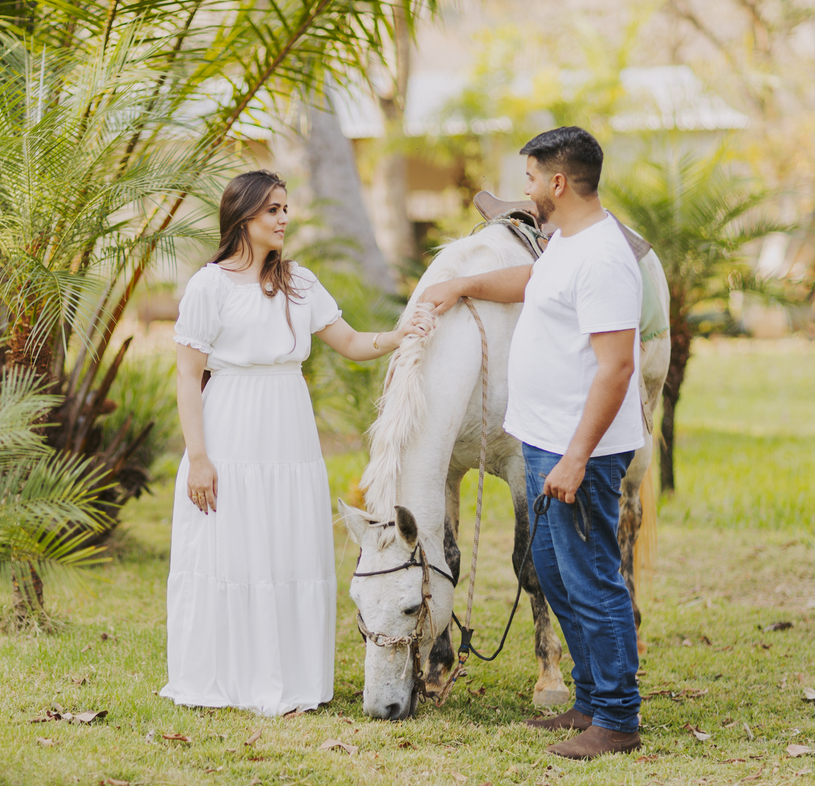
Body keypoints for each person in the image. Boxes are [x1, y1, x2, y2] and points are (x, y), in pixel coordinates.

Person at [160, 169, 431, 716]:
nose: (284, 218)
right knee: (231, 548)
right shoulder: (209, 287)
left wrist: (399, 335)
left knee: (287, 544)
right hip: (230, 426)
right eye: (273, 210)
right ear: (243, 217)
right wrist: (199, 458)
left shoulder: (299, 282)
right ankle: (229, 677)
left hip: (288, 427)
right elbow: (188, 376)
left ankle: (289, 676)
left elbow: (350, 341)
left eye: (285, 208)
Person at [419, 127, 644, 759]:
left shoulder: (603, 259)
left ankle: (617, 719)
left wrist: (576, 457)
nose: (525, 188)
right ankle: (590, 700)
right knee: (555, 571)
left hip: (580, 451)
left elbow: (616, 369)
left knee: (591, 578)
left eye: (530, 177)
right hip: (542, 442)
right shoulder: (566, 241)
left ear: (558, 182)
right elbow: (532, 282)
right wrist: (462, 285)